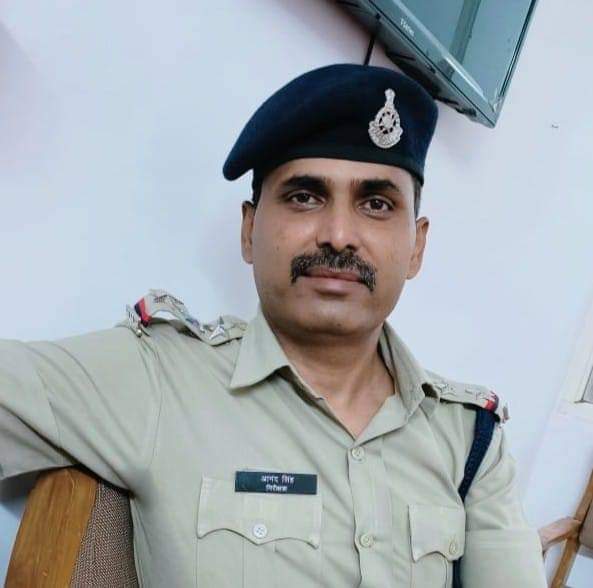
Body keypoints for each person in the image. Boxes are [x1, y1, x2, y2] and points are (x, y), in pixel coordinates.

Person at [0, 63, 546, 587]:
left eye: (376, 204)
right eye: (305, 197)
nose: (338, 234)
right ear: (249, 229)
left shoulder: (467, 439)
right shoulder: (159, 378)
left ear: (416, 247)